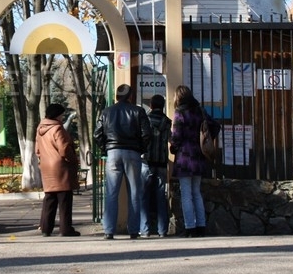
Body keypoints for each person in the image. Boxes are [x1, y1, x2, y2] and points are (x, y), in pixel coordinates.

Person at [94, 84, 151, 240]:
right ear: (130, 96)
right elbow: (147, 133)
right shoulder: (138, 111)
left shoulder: (106, 112)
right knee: (134, 193)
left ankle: (109, 230)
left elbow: (97, 134)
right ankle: (133, 230)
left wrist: (106, 149)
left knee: (112, 193)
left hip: (113, 153)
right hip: (133, 153)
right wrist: (140, 148)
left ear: (117, 96)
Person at [169, 85, 220, 238]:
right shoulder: (200, 111)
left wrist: (172, 144)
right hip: (199, 155)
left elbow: (177, 137)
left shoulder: (180, 113)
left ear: (178, 97)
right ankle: (201, 225)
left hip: (185, 156)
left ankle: (190, 227)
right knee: (196, 192)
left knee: (186, 193)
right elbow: (215, 125)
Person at [35, 103, 81, 237]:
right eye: (62, 114)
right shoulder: (58, 129)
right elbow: (64, 148)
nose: (62, 117)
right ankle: (65, 229)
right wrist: (73, 160)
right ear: (57, 115)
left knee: (50, 198)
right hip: (60, 167)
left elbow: (37, 150)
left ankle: (46, 228)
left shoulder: (40, 129)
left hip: (46, 166)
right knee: (64, 198)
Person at [140, 94, 172, 238]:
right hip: (162, 163)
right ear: (163, 105)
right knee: (161, 197)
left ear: (151, 105)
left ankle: (145, 230)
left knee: (144, 196)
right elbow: (172, 140)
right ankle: (162, 230)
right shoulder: (167, 121)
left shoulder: (145, 119)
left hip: (147, 162)